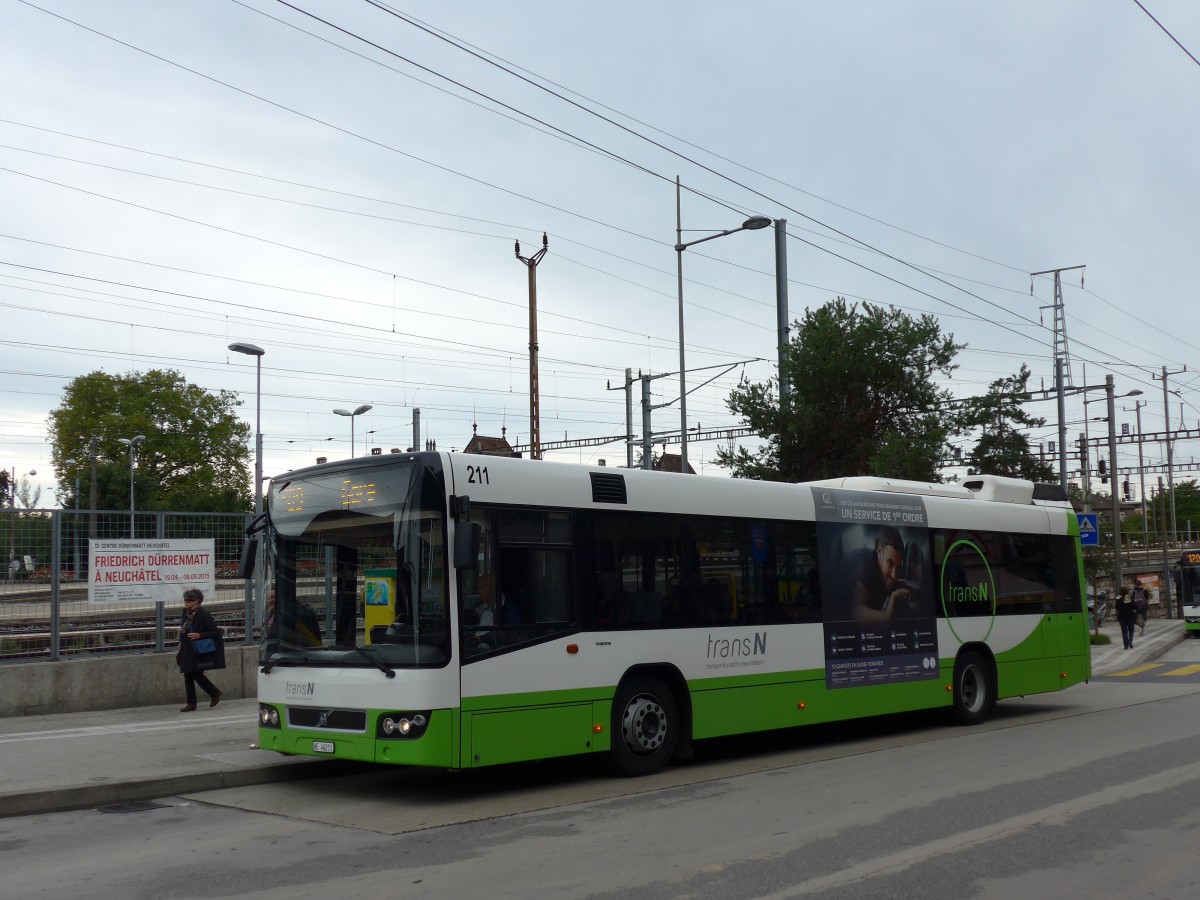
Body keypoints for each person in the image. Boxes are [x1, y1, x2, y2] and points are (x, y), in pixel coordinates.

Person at [839, 526, 912, 625]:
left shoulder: (890, 573)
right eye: (890, 563)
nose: (894, 575)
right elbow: (856, 612)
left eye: (898, 567)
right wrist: (886, 615)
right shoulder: (865, 566)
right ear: (880, 552)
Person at [176, 587, 224, 712]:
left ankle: (214, 693)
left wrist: (200, 635)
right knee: (188, 674)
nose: (186, 602)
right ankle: (192, 703)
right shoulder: (185, 612)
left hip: (198, 648)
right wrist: (181, 642)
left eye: (189, 600)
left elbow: (214, 632)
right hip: (187, 647)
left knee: (196, 674)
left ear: (197, 601)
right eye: (185, 600)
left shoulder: (203, 614)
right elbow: (183, 630)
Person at [1115, 586, 1138, 650]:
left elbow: (1117, 607)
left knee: (1124, 632)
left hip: (1122, 617)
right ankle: (1130, 642)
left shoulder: (1118, 598)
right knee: (1131, 630)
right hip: (1130, 616)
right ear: (1127, 591)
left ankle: (1125, 645)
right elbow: (1135, 606)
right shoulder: (1130, 598)